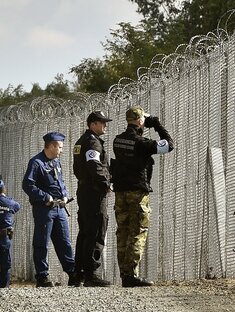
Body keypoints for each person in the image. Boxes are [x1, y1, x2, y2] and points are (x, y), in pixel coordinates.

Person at [111, 105, 173, 287]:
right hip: (137, 193)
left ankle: (125, 274)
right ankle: (131, 275)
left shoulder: (117, 140)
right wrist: (157, 125)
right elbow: (169, 145)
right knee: (138, 232)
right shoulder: (142, 143)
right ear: (139, 121)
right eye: (143, 120)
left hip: (120, 192)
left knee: (122, 232)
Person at [22, 131, 77, 287]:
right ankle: (42, 276)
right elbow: (27, 185)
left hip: (59, 208)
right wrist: (45, 197)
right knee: (42, 242)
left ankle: (72, 273)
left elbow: (61, 183)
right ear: (51, 146)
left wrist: (65, 196)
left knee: (64, 241)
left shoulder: (55, 162)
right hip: (44, 209)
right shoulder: (36, 163)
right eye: (59, 147)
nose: (61, 150)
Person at [72, 111, 113, 287]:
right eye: (102, 122)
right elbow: (94, 165)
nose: (105, 125)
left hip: (85, 189)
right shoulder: (92, 142)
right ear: (92, 124)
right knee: (96, 230)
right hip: (93, 191)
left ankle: (79, 273)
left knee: (85, 231)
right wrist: (105, 183)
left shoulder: (82, 141)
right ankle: (91, 274)